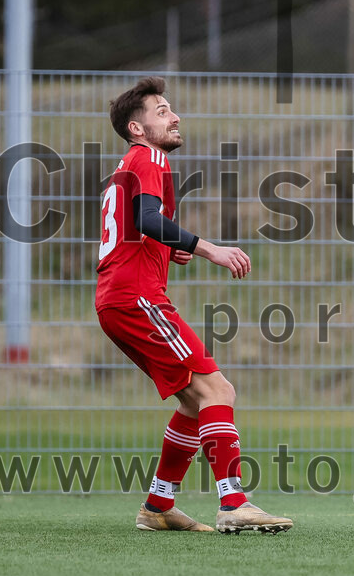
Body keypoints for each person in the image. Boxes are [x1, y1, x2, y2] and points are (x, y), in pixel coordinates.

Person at [96, 76, 292, 534]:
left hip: (119, 300)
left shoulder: (127, 166)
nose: (174, 115)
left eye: (171, 108)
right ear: (136, 128)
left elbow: (134, 228)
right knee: (218, 392)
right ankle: (234, 503)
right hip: (136, 299)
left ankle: (158, 507)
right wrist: (210, 249)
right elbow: (146, 219)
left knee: (192, 401)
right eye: (161, 110)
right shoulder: (150, 157)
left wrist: (169, 248)